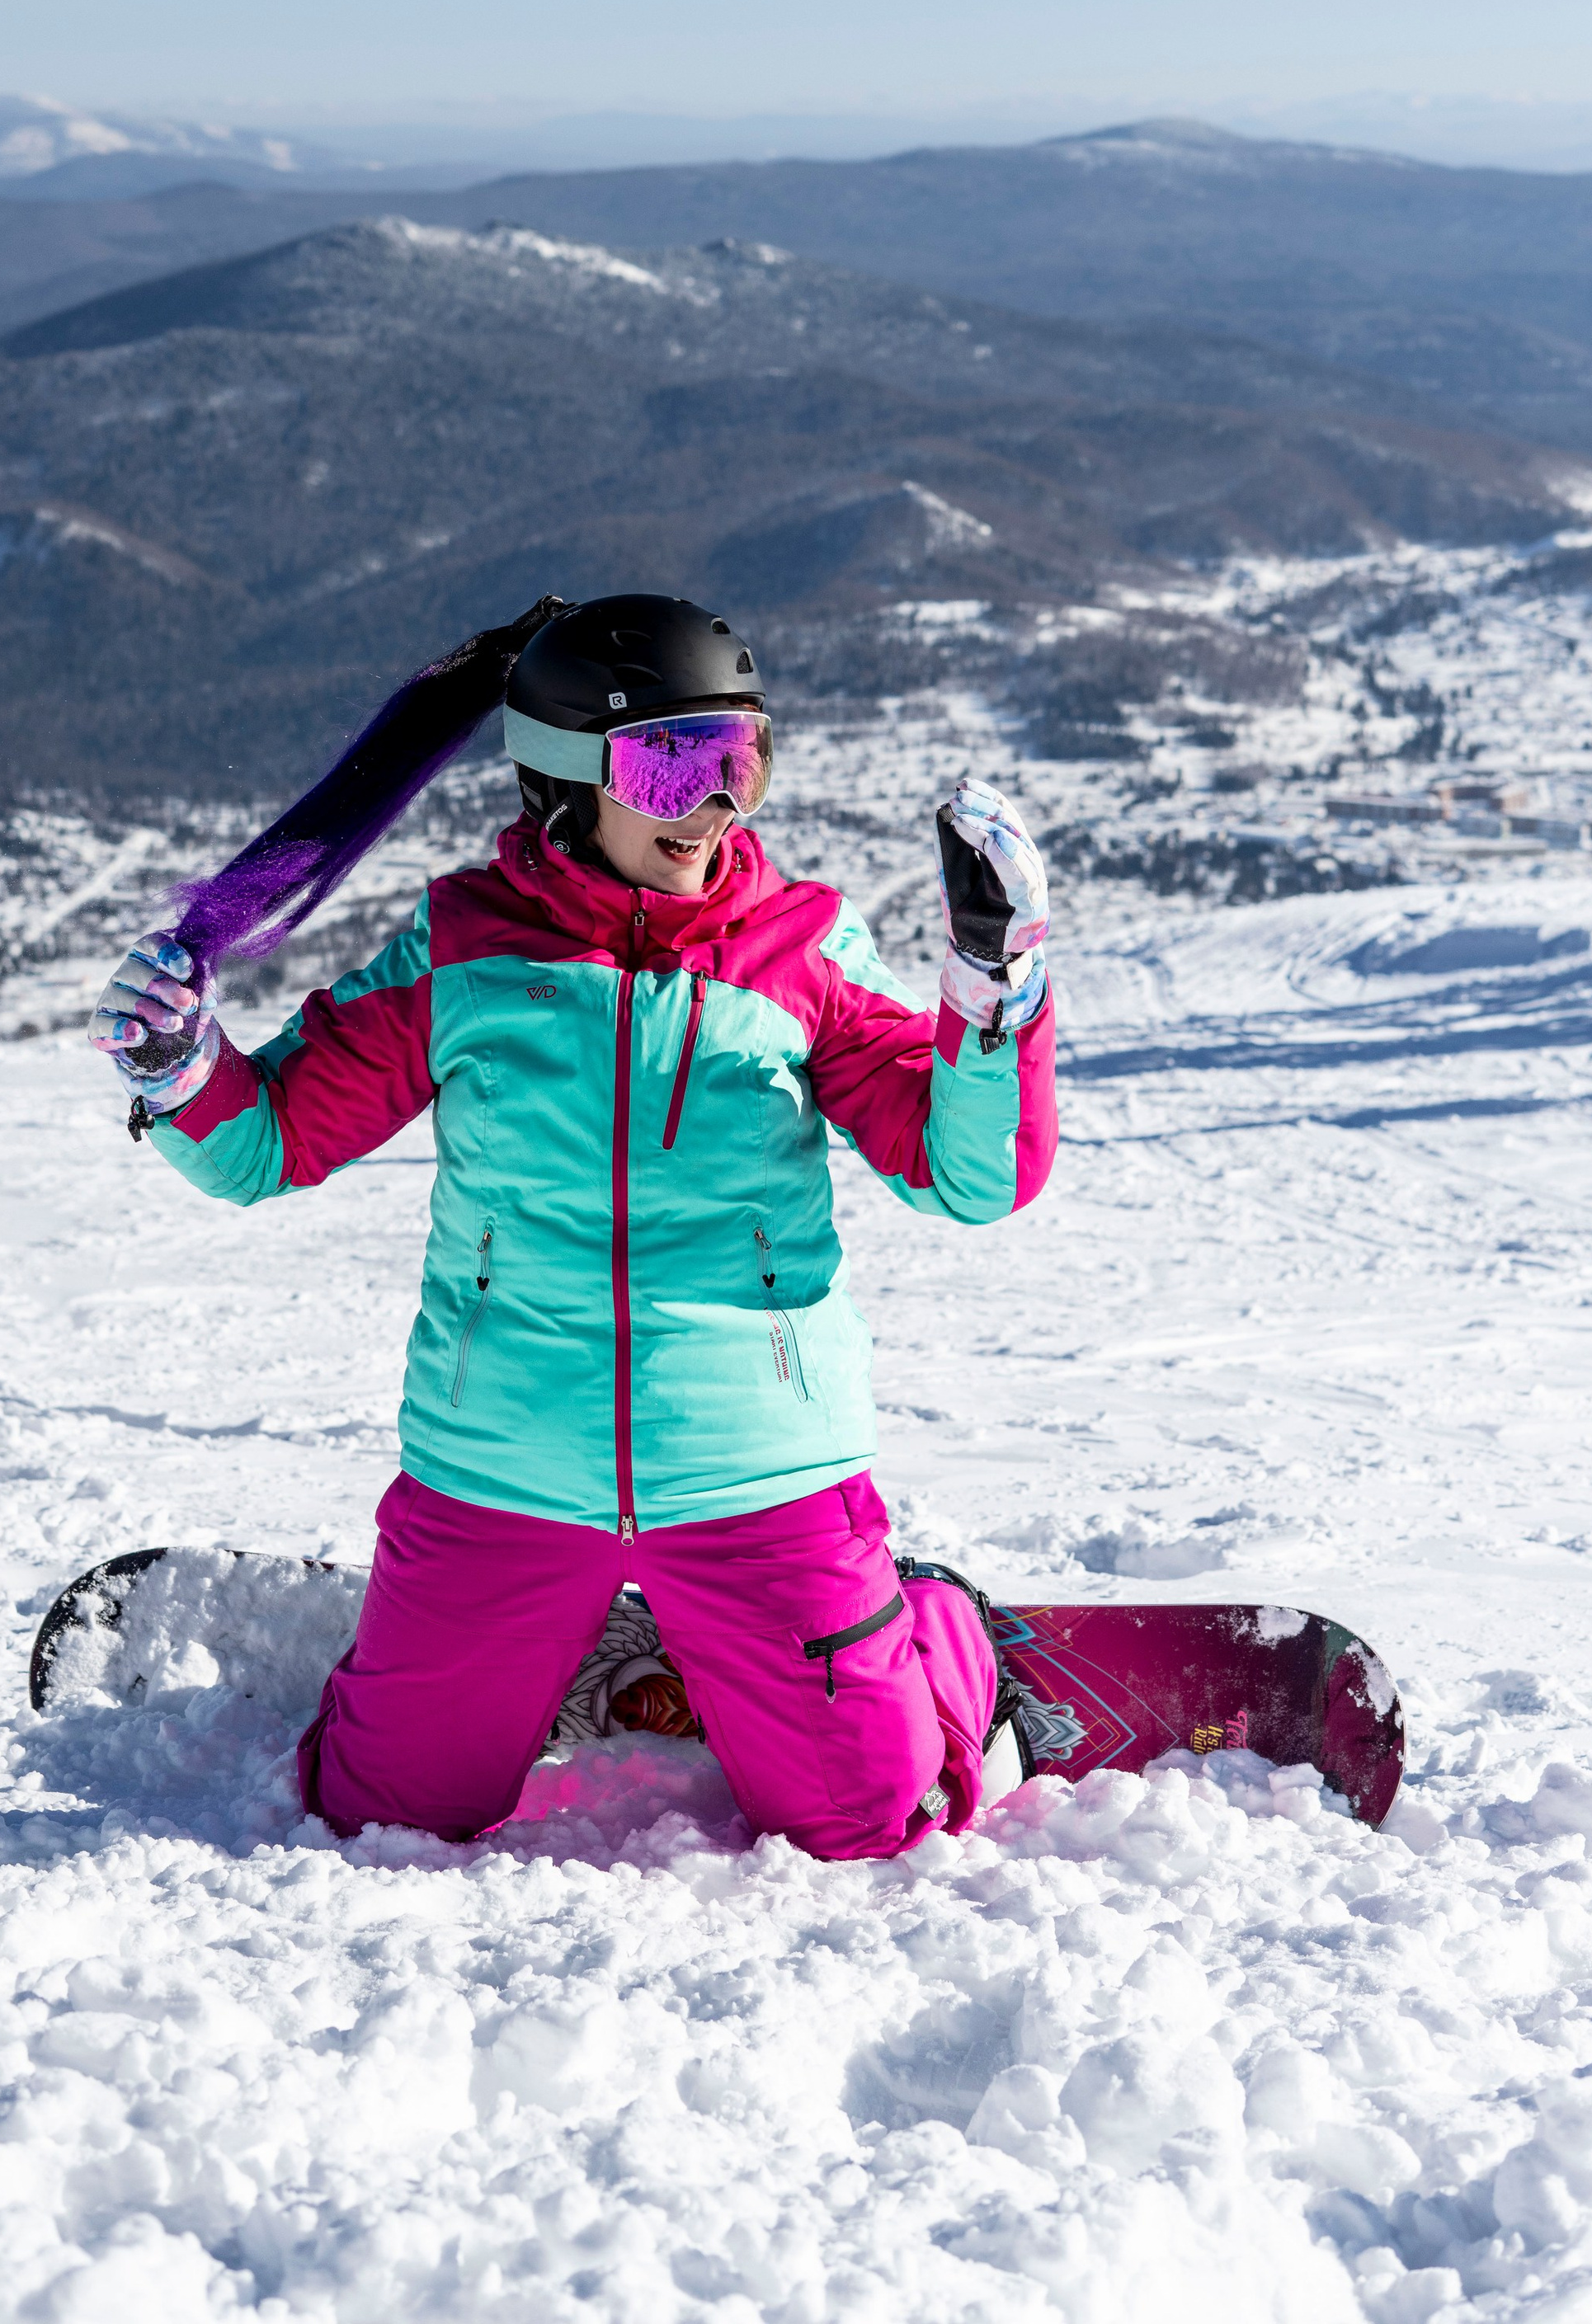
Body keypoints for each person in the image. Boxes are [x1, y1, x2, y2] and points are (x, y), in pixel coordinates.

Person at [89, 591, 1057, 1856]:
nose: (713, 809)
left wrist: (994, 1006)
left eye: (740, 762)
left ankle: (927, 1622)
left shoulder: (805, 950)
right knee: (383, 1816)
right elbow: (267, 1140)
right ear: (565, 779)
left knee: (871, 1820)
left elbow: (969, 1174)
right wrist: (180, 1072)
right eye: (675, 765)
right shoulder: (463, 949)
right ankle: (515, 1641)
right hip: (500, 1465)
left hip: (760, 1468)